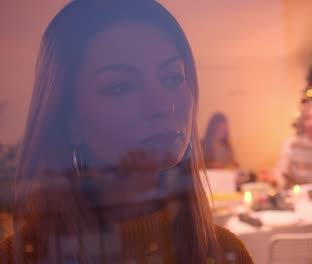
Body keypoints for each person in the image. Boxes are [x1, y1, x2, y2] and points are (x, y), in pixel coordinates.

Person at [0, 1, 253, 263]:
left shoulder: (224, 252)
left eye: (172, 79)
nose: (163, 105)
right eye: (120, 87)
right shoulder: (16, 258)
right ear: (68, 120)